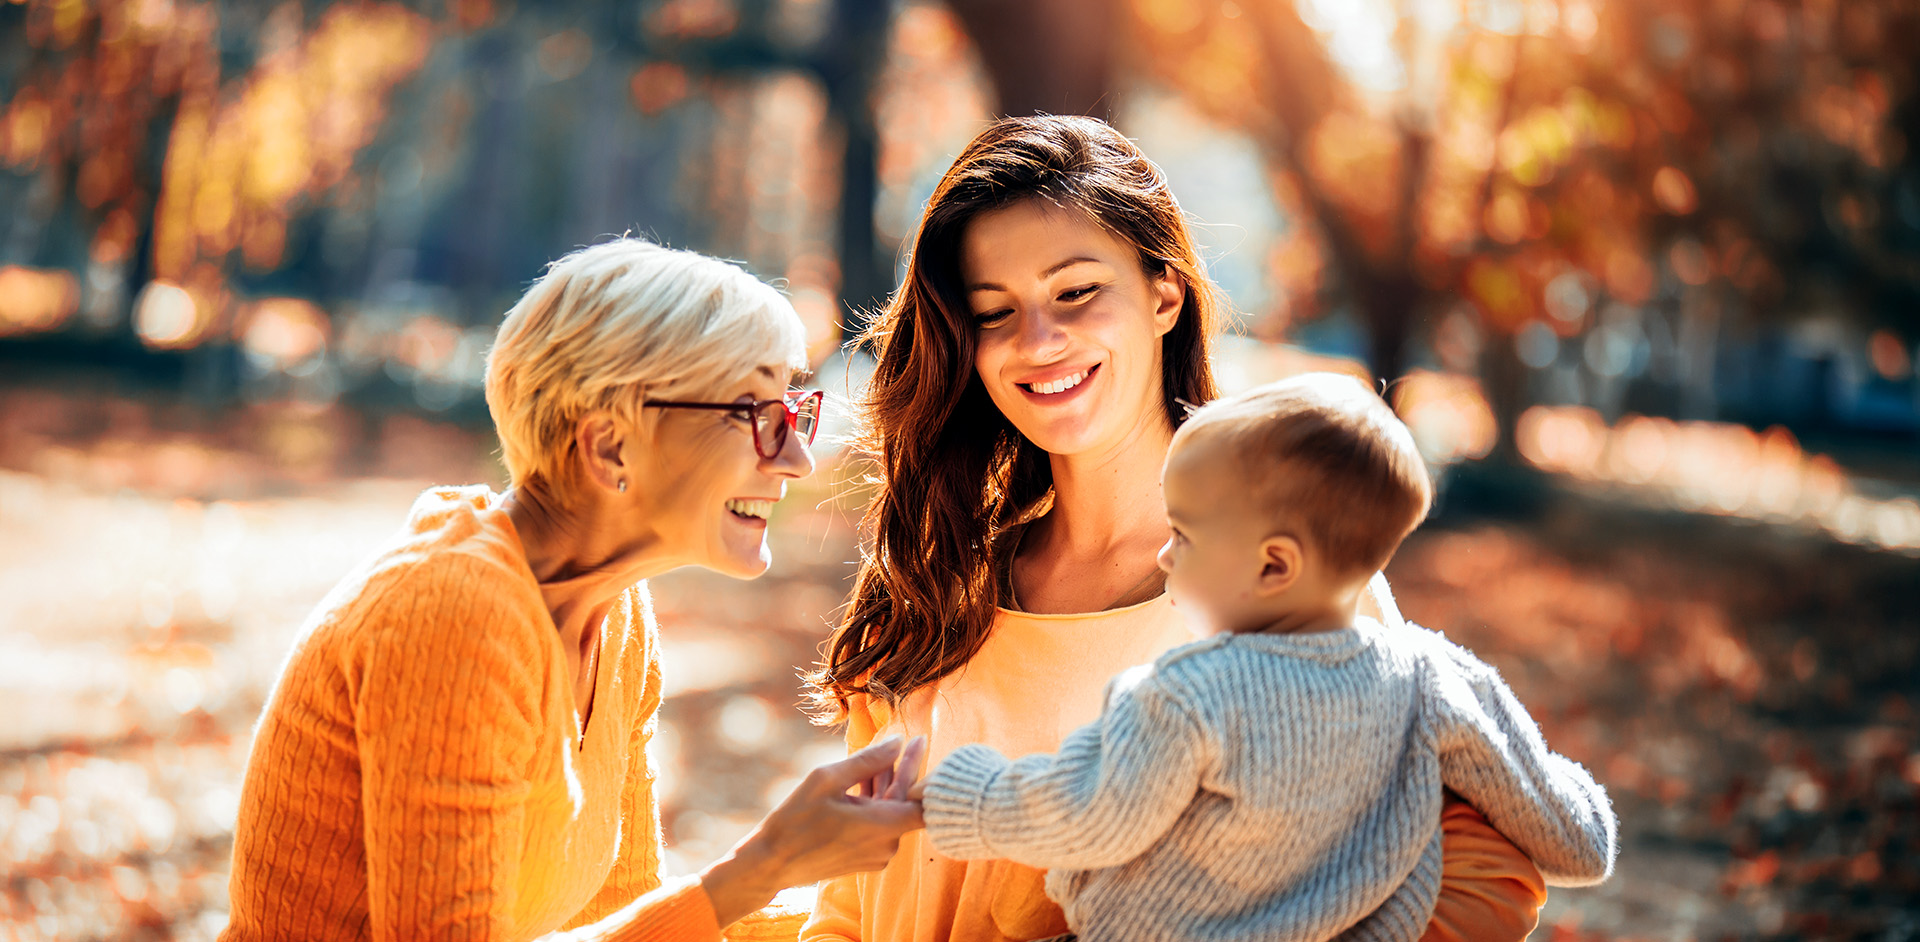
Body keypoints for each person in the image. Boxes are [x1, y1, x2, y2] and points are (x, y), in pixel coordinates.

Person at [803, 115, 1552, 942]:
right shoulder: (939, 577)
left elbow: (1485, 880)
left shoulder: (1287, 578)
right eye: (993, 312)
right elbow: (850, 901)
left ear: (1165, 294)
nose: (1038, 342)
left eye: (1077, 292)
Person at [221, 238, 928, 942]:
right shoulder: (455, 615)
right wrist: (762, 869)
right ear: (610, 445)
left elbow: (627, 922)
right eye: (752, 411)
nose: (798, 459)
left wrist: (866, 913)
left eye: (791, 409)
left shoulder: (615, 614)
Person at [915, 374, 1618, 941]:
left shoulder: (1189, 694)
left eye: (1184, 535)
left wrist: (962, 793)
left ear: (1274, 565)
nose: (1163, 554)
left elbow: (1090, 811)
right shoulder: (1432, 675)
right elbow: (1574, 839)